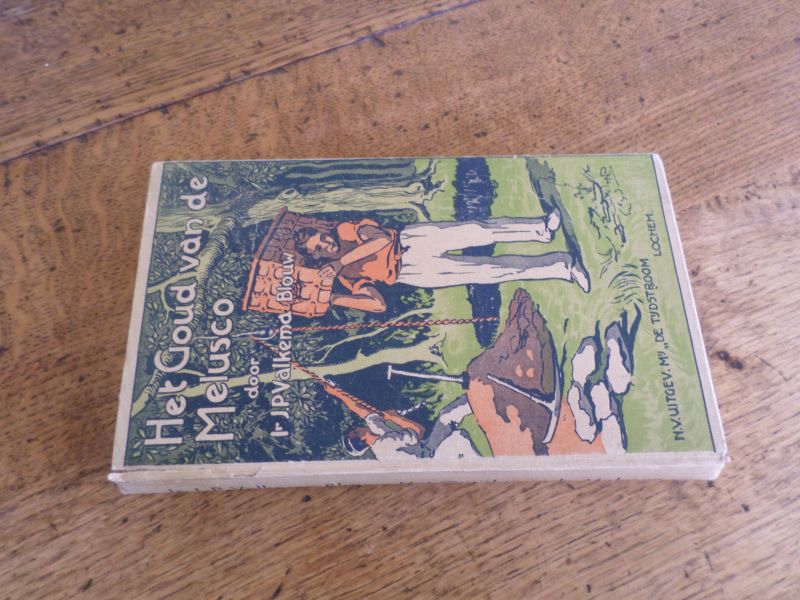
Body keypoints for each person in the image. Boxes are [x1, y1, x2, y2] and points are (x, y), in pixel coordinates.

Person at [294, 211, 590, 313]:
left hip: (412, 241)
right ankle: (563, 267)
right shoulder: (344, 278)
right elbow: (377, 304)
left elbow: (381, 240)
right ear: (316, 257)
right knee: (489, 271)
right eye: (320, 248)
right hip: (412, 272)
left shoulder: (344, 231)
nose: (327, 243)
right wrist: (334, 299)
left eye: (322, 237)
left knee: (478, 231)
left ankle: (540, 228)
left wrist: (342, 260)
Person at [341, 395, 480, 461]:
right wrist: (394, 417)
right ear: (362, 440)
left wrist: (335, 392)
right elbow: (419, 431)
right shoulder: (385, 445)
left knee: (448, 414)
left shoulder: (376, 432)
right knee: (459, 438)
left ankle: (482, 394)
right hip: (432, 458)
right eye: (355, 432)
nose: (357, 428)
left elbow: (363, 411)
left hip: (428, 448)